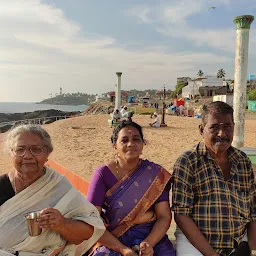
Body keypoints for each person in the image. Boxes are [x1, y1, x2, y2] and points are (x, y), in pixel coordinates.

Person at [0, 124, 105, 256]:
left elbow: (87, 232)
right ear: (11, 154)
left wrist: (63, 224)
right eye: (19, 150)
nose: (27, 155)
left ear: (47, 153)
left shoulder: (59, 187)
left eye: (36, 149)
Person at [172, 101, 256, 256]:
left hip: (238, 240)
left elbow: (252, 211)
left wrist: (252, 249)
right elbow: (181, 214)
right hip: (196, 243)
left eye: (227, 127)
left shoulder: (242, 160)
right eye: (214, 127)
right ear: (201, 129)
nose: (221, 134)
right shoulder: (188, 161)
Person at [87, 121, 175, 256]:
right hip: (115, 237)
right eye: (124, 140)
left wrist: (149, 243)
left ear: (142, 144)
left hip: (150, 234)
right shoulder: (102, 174)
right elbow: (92, 220)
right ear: (114, 146)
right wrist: (123, 249)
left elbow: (164, 216)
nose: (131, 144)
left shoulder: (154, 173)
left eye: (136, 139)